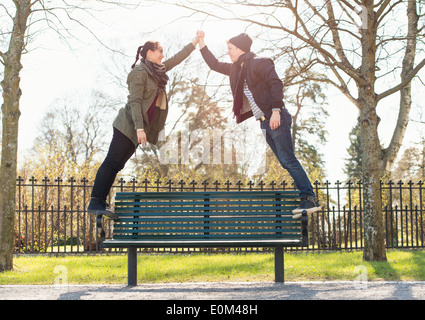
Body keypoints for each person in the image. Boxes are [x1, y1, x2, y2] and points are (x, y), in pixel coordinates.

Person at [197, 31, 321, 218]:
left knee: (288, 159)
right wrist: (202, 43)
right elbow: (214, 65)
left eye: (230, 49)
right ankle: (306, 197)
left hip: (275, 116)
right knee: (285, 161)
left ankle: (309, 198)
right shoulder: (235, 69)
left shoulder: (260, 63)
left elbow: (276, 84)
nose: (228, 52)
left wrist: (277, 111)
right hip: (264, 121)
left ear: (240, 48)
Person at [87, 33, 202, 218]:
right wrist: (140, 129)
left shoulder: (157, 71)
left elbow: (177, 59)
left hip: (137, 130)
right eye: (160, 51)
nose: (163, 55)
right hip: (127, 126)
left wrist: (195, 42)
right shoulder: (139, 72)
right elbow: (135, 102)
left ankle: (100, 201)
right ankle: (95, 201)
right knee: (111, 161)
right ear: (149, 53)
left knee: (117, 165)